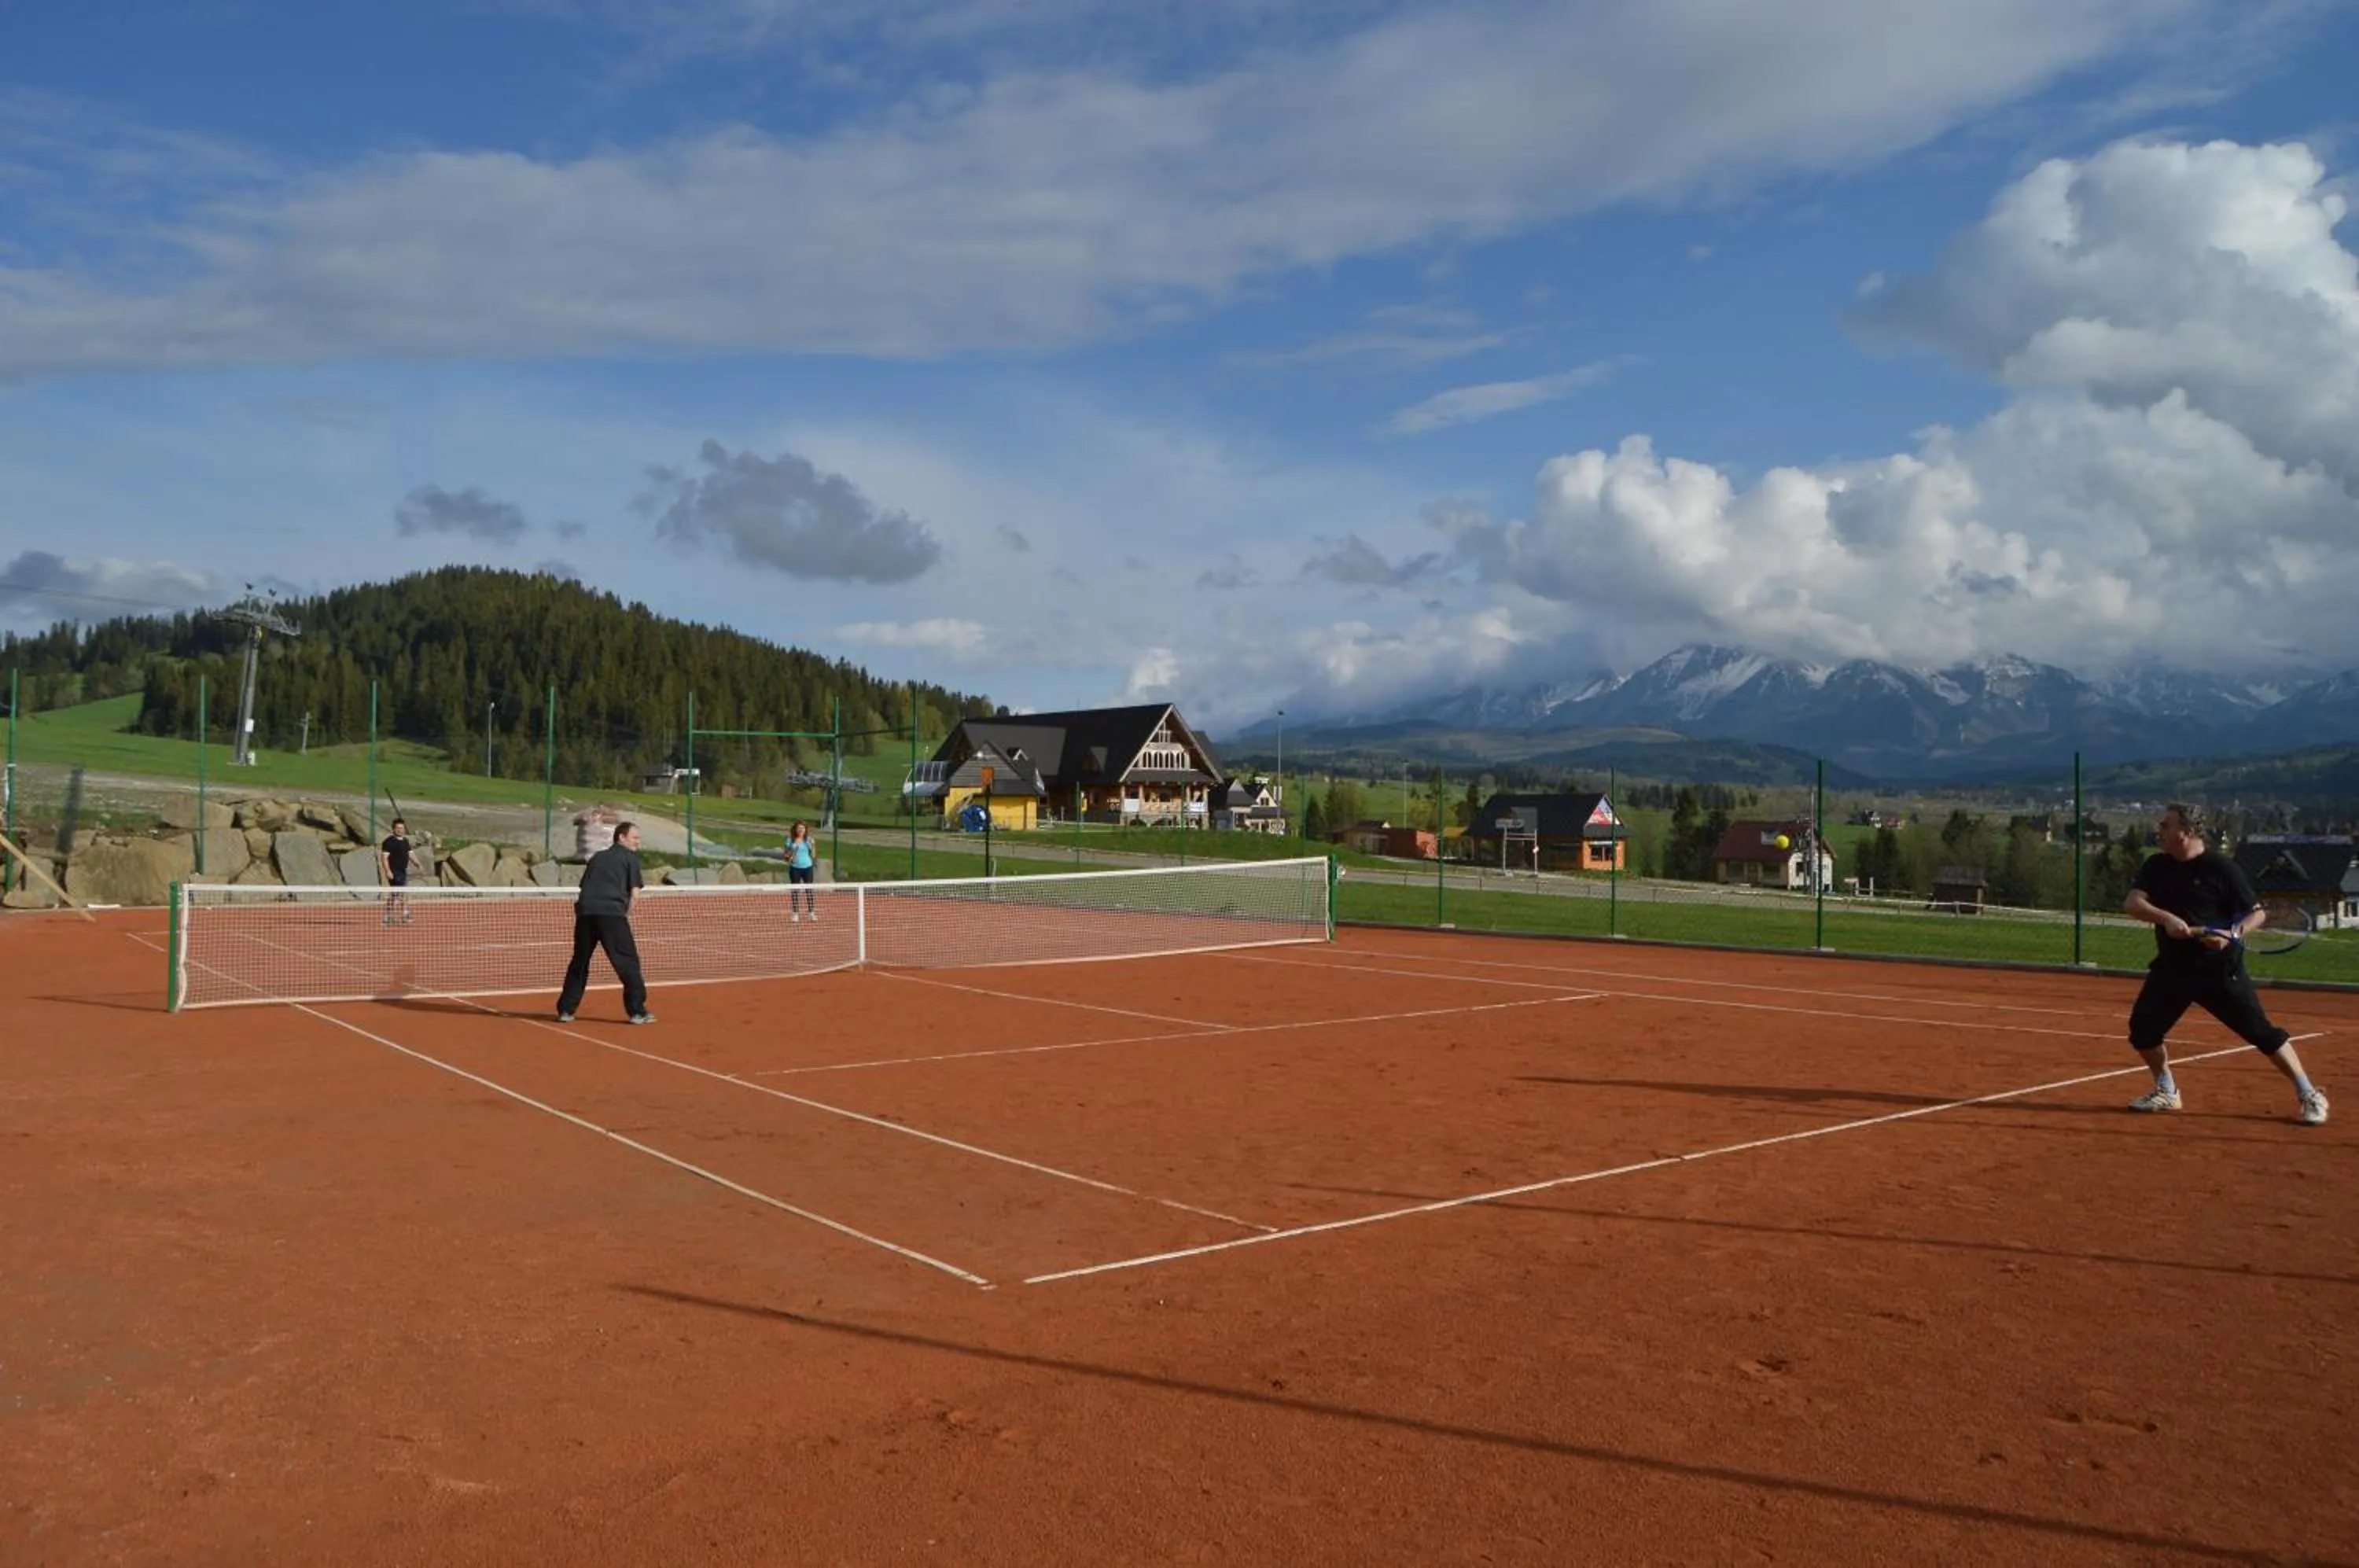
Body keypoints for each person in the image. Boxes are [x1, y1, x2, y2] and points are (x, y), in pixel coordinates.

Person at [2122, 803, 2327, 1124]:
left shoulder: (2221, 868)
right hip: (2172, 970)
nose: (2158, 831)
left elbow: (2256, 914)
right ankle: (2167, 1090)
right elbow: (2133, 903)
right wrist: (2167, 919)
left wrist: (2231, 935)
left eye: (2165, 826)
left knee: (2263, 1034)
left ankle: (2309, 1093)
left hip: (2219, 971)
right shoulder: (2156, 865)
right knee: (2143, 1032)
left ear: (2186, 832)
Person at [557, 820, 654, 1025]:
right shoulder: (630, 859)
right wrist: (624, 914)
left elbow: (585, 886)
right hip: (611, 915)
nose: (638, 842)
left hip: (585, 914)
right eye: (635, 838)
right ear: (621, 837)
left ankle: (566, 1009)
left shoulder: (597, 857)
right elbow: (635, 893)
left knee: (580, 961)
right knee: (628, 962)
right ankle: (637, 1011)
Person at [378, 818, 414, 926]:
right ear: (393, 829)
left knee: (399, 894)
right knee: (398, 894)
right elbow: (384, 858)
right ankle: (393, 916)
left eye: (402, 828)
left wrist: (418, 864)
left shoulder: (405, 841)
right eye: (398, 828)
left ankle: (396, 915)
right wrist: (388, 871)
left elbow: (410, 853)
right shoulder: (389, 842)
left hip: (403, 872)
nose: (400, 830)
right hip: (394, 873)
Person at [786, 819, 818, 922]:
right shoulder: (790, 840)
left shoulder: (808, 840)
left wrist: (813, 845)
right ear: (795, 829)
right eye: (799, 828)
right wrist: (791, 852)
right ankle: (795, 914)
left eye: (803, 828)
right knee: (795, 890)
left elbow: (813, 855)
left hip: (807, 867)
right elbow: (786, 856)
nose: (801, 830)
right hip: (795, 868)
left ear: (805, 830)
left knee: (809, 890)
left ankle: (811, 913)